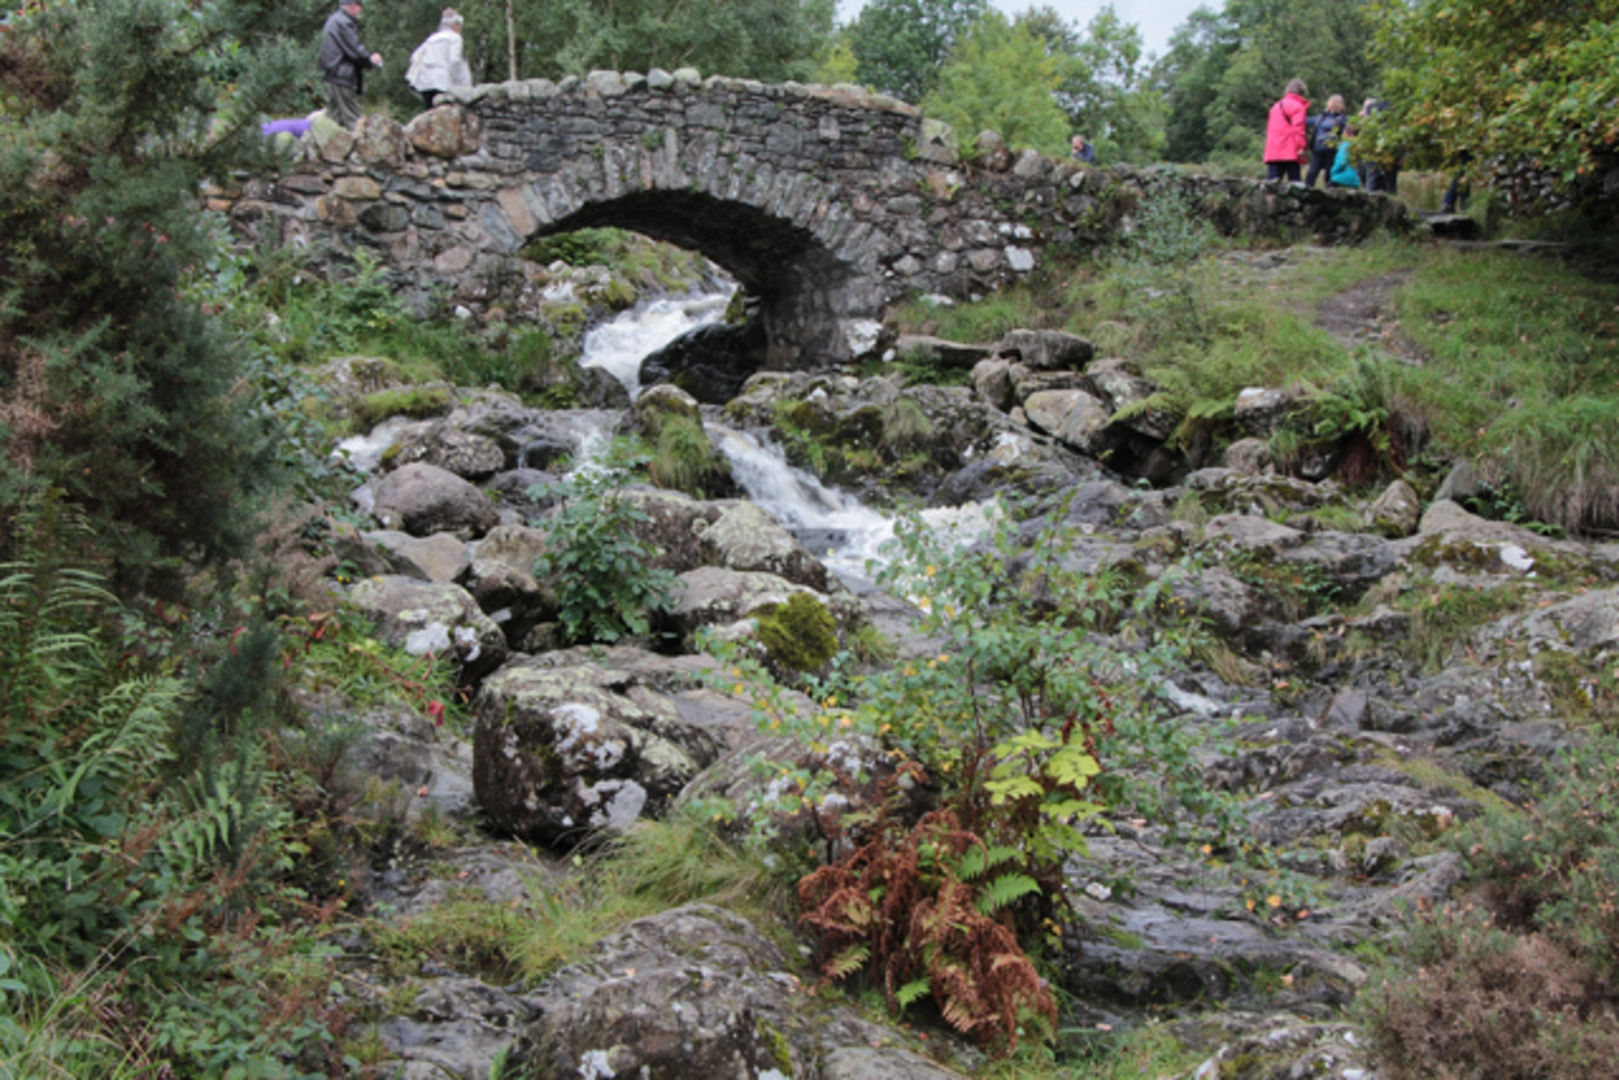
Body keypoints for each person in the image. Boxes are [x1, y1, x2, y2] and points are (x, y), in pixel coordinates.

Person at [318, 0, 382, 130]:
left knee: (334, 122)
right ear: (353, 6)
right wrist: (371, 60)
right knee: (354, 122)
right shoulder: (343, 23)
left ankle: (328, 149)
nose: (361, 11)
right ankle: (361, 149)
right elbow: (356, 51)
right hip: (341, 79)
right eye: (360, 6)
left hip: (331, 77)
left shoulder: (334, 20)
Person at [407, 8, 472, 108]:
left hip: (425, 83)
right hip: (442, 82)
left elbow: (415, 57)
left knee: (429, 114)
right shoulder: (455, 38)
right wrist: (460, 84)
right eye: (458, 25)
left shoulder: (432, 38)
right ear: (454, 25)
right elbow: (454, 61)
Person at [1262, 79, 1310, 183]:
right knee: (1295, 184)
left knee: (1270, 185)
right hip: (1290, 150)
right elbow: (1298, 129)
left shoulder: (1275, 106)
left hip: (1273, 150)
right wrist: (1301, 147)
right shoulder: (1298, 106)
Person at [1303, 94, 1347, 188]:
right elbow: (1307, 121)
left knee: (1329, 175)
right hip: (1318, 150)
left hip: (1331, 151)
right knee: (1312, 173)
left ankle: (1330, 195)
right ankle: (1306, 191)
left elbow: (1345, 133)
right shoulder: (1322, 117)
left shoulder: (1341, 119)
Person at [1357, 98, 1400, 194]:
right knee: (1389, 183)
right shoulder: (1394, 108)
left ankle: (1368, 204)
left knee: (1371, 181)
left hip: (1372, 149)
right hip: (1388, 149)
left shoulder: (1371, 109)